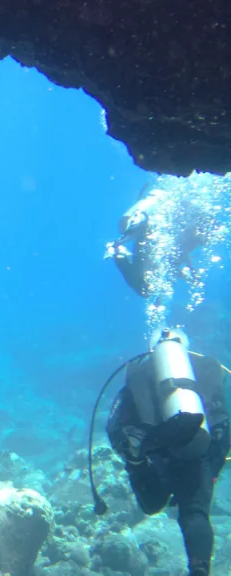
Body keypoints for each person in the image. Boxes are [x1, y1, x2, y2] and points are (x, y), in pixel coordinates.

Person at [104, 327, 229, 576]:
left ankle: (150, 476)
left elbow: (115, 423)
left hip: (160, 448)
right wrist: (213, 466)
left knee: (151, 504)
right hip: (200, 444)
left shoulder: (139, 370)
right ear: (186, 347)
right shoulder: (209, 368)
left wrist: (133, 458)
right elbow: (223, 422)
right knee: (194, 512)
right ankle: (200, 568)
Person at [104, 184, 207, 297]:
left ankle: (119, 253)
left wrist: (187, 274)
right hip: (149, 231)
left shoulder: (184, 238)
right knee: (144, 289)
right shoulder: (181, 227)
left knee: (145, 290)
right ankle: (119, 253)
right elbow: (175, 256)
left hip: (151, 236)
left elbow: (174, 259)